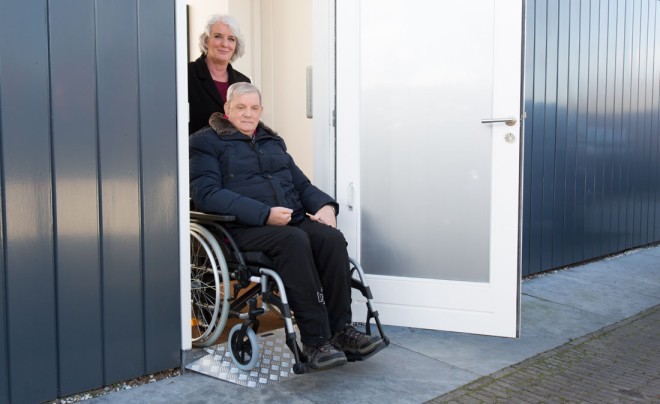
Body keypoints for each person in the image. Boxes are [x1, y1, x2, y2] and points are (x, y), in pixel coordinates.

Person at [189, 82, 384, 370]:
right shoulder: (205, 142)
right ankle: (315, 340)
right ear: (227, 109)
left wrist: (324, 206)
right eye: (240, 107)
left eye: (254, 108)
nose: (247, 114)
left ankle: (341, 330)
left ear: (261, 110)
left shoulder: (271, 141)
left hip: (287, 221)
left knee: (330, 239)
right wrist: (263, 213)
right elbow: (207, 195)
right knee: (294, 241)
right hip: (242, 229)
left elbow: (301, 185)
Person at [188, 14, 251, 134]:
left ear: (236, 45)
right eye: (218, 36)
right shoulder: (187, 74)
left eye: (231, 39)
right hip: (197, 150)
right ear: (207, 40)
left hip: (236, 151)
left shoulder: (243, 82)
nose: (225, 44)